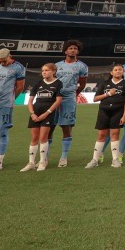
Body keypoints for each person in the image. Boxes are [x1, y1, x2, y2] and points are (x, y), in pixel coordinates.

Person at [52, 39, 89, 168]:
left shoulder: (82, 66)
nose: (73, 50)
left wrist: (74, 92)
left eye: (75, 48)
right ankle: (44, 157)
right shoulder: (56, 65)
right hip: (54, 98)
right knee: (49, 126)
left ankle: (63, 157)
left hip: (69, 98)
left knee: (66, 127)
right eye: (70, 48)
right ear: (65, 51)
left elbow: (83, 83)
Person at [21, 63, 63, 172]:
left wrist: (47, 113)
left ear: (53, 71)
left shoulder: (58, 83)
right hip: (36, 111)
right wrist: (32, 114)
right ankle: (31, 162)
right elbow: (30, 101)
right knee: (34, 138)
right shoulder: (38, 83)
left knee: (43, 138)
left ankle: (42, 162)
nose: (44, 72)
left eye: (47, 70)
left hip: (48, 113)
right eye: (43, 70)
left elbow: (58, 101)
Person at [87, 64, 125, 168]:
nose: (118, 71)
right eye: (115, 70)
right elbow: (95, 98)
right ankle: (94, 160)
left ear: (123, 72)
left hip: (118, 112)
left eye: (120, 70)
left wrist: (124, 116)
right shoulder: (104, 83)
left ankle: (115, 160)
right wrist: (108, 94)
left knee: (115, 134)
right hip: (104, 111)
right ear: (111, 72)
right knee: (101, 135)